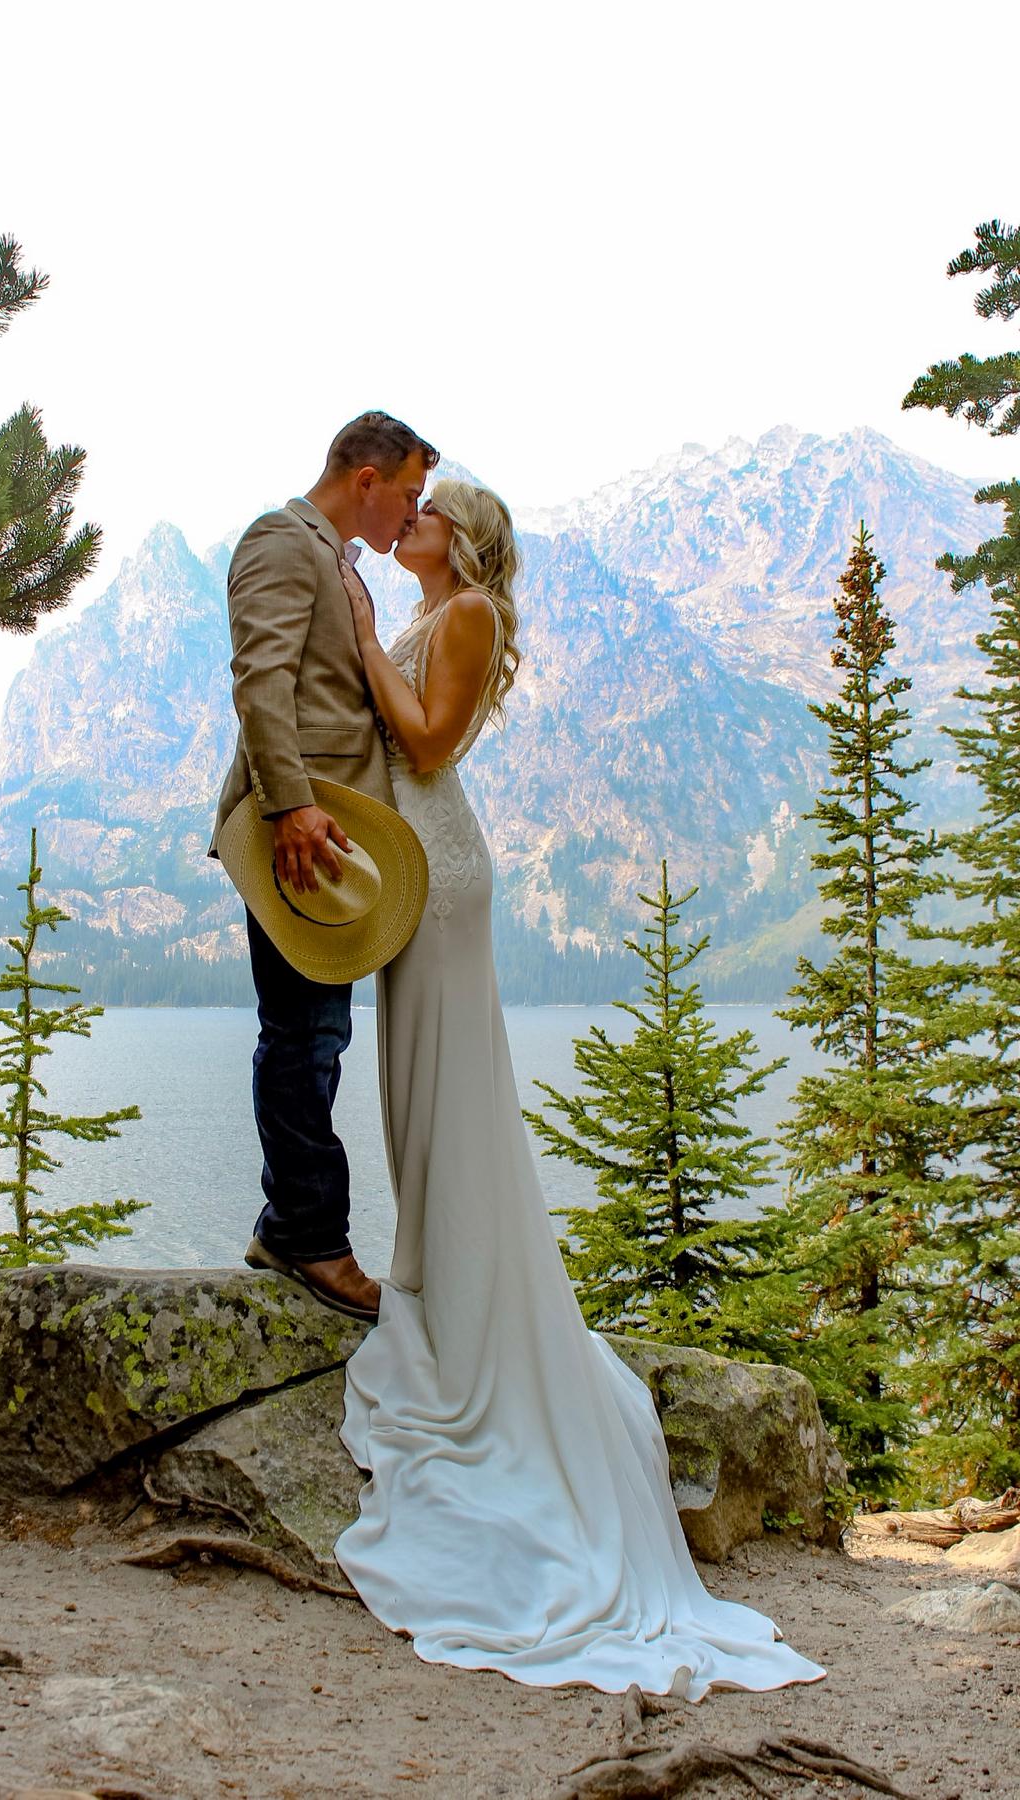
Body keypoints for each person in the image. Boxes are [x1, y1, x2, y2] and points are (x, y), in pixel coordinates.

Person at [332, 477, 826, 1698]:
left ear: (471, 538)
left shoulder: (471, 616)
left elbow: (430, 742)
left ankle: (469, 1327)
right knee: (420, 1108)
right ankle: (443, 1292)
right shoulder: (437, 610)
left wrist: (353, 632)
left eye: (429, 511)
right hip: (410, 872)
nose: (411, 522)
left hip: (441, 883)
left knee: (446, 1100)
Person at [207, 411, 439, 1323]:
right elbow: (261, 678)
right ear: (368, 476)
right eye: (409, 495)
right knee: (303, 1034)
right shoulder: (281, 540)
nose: (409, 515)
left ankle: (288, 1225)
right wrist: (292, 805)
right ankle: (309, 1238)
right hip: (298, 832)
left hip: (333, 835)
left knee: (317, 1034)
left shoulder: (338, 560)